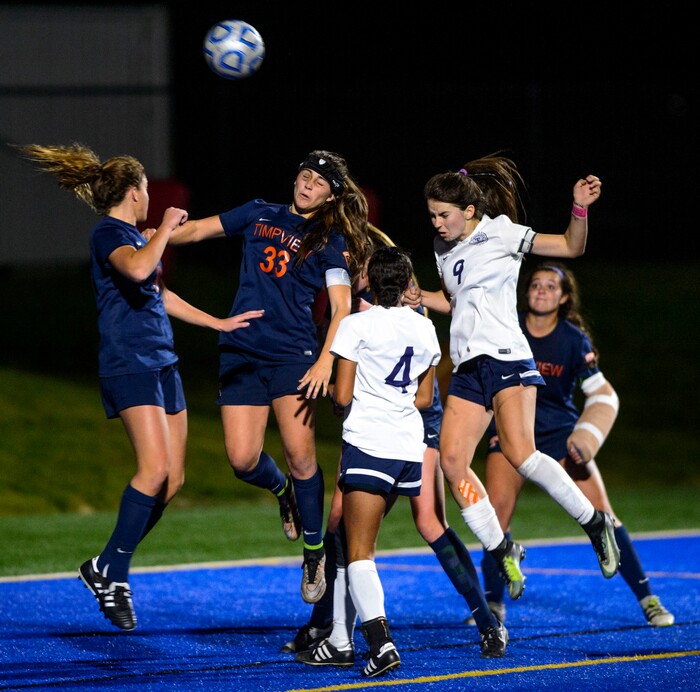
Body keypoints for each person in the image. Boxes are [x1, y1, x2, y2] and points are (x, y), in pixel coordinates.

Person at [16, 142, 264, 630]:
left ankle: (105, 566)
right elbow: (136, 268)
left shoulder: (133, 236)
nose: (152, 196)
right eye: (147, 188)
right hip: (129, 363)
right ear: (134, 191)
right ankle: (114, 571)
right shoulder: (109, 232)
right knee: (152, 471)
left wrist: (218, 323)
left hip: (162, 362)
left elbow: (160, 292)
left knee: (172, 481)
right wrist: (168, 229)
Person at [403, 152, 620, 603]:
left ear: (468, 211)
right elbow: (453, 301)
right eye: (431, 216)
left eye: (443, 215)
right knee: (452, 462)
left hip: (506, 359)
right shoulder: (443, 250)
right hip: (466, 368)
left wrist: (579, 208)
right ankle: (503, 547)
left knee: (522, 454)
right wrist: (415, 295)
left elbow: (571, 246)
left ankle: (594, 521)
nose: (436, 224)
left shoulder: (500, 232)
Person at [286, 226, 508, 662]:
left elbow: (354, 390)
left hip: (399, 426)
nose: (353, 265)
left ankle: (484, 621)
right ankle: (330, 629)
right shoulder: (397, 317)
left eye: (359, 261)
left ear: (371, 271)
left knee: (418, 524)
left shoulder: (363, 316)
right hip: (407, 425)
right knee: (341, 524)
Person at [165, 151, 373, 603]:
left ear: (332, 195)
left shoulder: (330, 239)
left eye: (319, 182)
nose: (307, 185)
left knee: (302, 458)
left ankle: (314, 551)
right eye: (304, 175)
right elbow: (199, 229)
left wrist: (324, 362)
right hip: (241, 348)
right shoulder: (259, 212)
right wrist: (160, 236)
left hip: (292, 355)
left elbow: (340, 308)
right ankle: (282, 492)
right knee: (242, 460)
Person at [476, 261, 675, 627]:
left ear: (564, 298)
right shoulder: (507, 327)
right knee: (494, 519)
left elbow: (601, 394)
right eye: (535, 284)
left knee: (606, 516)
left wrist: (586, 437)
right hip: (510, 433)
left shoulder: (572, 339)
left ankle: (648, 598)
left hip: (559, 437)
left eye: (551, 287)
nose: (541, 291)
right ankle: (493, 603)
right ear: (526, 291)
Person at [302, 244, 442, 678]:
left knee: (359, 551)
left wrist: (345, 406)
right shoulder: (425, 328)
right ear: (405, 285)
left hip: (370, 442)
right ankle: (340, 640)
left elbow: (341, 395)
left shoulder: (355, 325)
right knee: (348, 542)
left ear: (370, 282)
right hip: (406, 447)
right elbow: (423, 397)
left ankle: (380, 644)